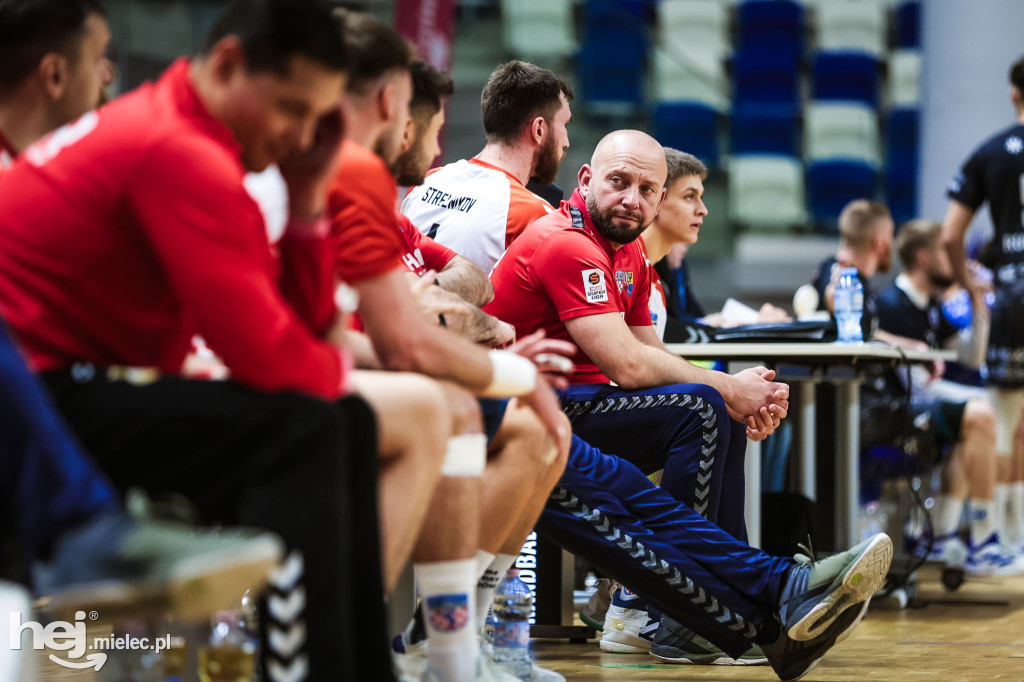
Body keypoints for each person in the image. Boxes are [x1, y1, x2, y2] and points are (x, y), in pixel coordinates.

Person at [0, 1, 396, 679]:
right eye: (291, 108)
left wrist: (306, 204)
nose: (301, 135)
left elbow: (286, 331)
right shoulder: (177, 151)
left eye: (316, 117)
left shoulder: (188, 133)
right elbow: (272, 359)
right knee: (306, 430)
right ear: (229, 64)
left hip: (73, 383)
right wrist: (330, 365)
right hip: (31, 403)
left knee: (345, 418)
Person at [0, 0, 284, 622]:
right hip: (53, 392)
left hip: (69, 386)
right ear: (53, 75)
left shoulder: (60, 167)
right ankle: (89, 536)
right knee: (308, 424)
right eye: (101, 60)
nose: (109, 78)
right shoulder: (136, 153)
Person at [326, 14, 570, 682]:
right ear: (391, 108)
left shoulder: (415, 190)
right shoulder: (531, 212)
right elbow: (416, 323)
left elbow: (461, 289)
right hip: (289, 374)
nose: (430, 148)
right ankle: (410, 646)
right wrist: (499, 360)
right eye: (425, 125)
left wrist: (447, 313)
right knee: (480, 416)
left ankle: (451, 645)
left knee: (522, 422)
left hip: (338, 357)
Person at [875, 220, 1022, 574]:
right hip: (894, 411)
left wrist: (977, 298)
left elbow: (972, 356)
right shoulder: (892, 303)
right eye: (947, 252)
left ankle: (942, 535)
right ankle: (985, 538)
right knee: (984, 411)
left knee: (976, 420)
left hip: (921, 406)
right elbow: (918, 384)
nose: (956, 263)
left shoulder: (931, 306)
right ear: (925, 259)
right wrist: (981, 398)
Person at [941, 53, 1024, 552]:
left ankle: (992, 536)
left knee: (1003, 419)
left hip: (1013, 291)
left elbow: (952, 233)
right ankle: (1013, 533)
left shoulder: (990, 151)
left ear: (1013, 94)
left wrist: (969, 283)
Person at [401, 60, 573, 273]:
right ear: (539, 130)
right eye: (564, 125)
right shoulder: (535, 216)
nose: (566, 141)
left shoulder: (425, 182)